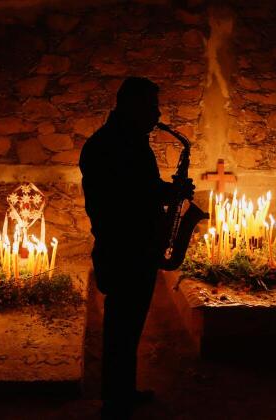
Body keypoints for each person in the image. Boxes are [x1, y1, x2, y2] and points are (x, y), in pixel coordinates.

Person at [79, 77, 194, 418]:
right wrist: (166, 195)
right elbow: (125, 197)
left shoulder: (125, 140)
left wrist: (166, 193)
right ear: (132, 105)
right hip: (125, 248)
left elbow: (138, 187)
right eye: (152, 106)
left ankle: (122, 392)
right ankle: (115, 402)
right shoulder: (113, 144)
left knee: (126, 329)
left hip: (131, 246)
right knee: (121, 329)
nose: (158, 114)